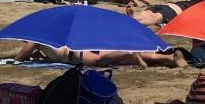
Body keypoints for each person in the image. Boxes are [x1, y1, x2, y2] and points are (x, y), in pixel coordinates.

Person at [14, 41, 186, 69]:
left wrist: (20, 58)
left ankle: (131, 54)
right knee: (112, 55)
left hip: (75, 55)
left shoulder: (34, 39)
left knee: (99, 61)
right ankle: (169, 59)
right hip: (83, 45)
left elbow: (18, 59)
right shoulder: (50, 35)